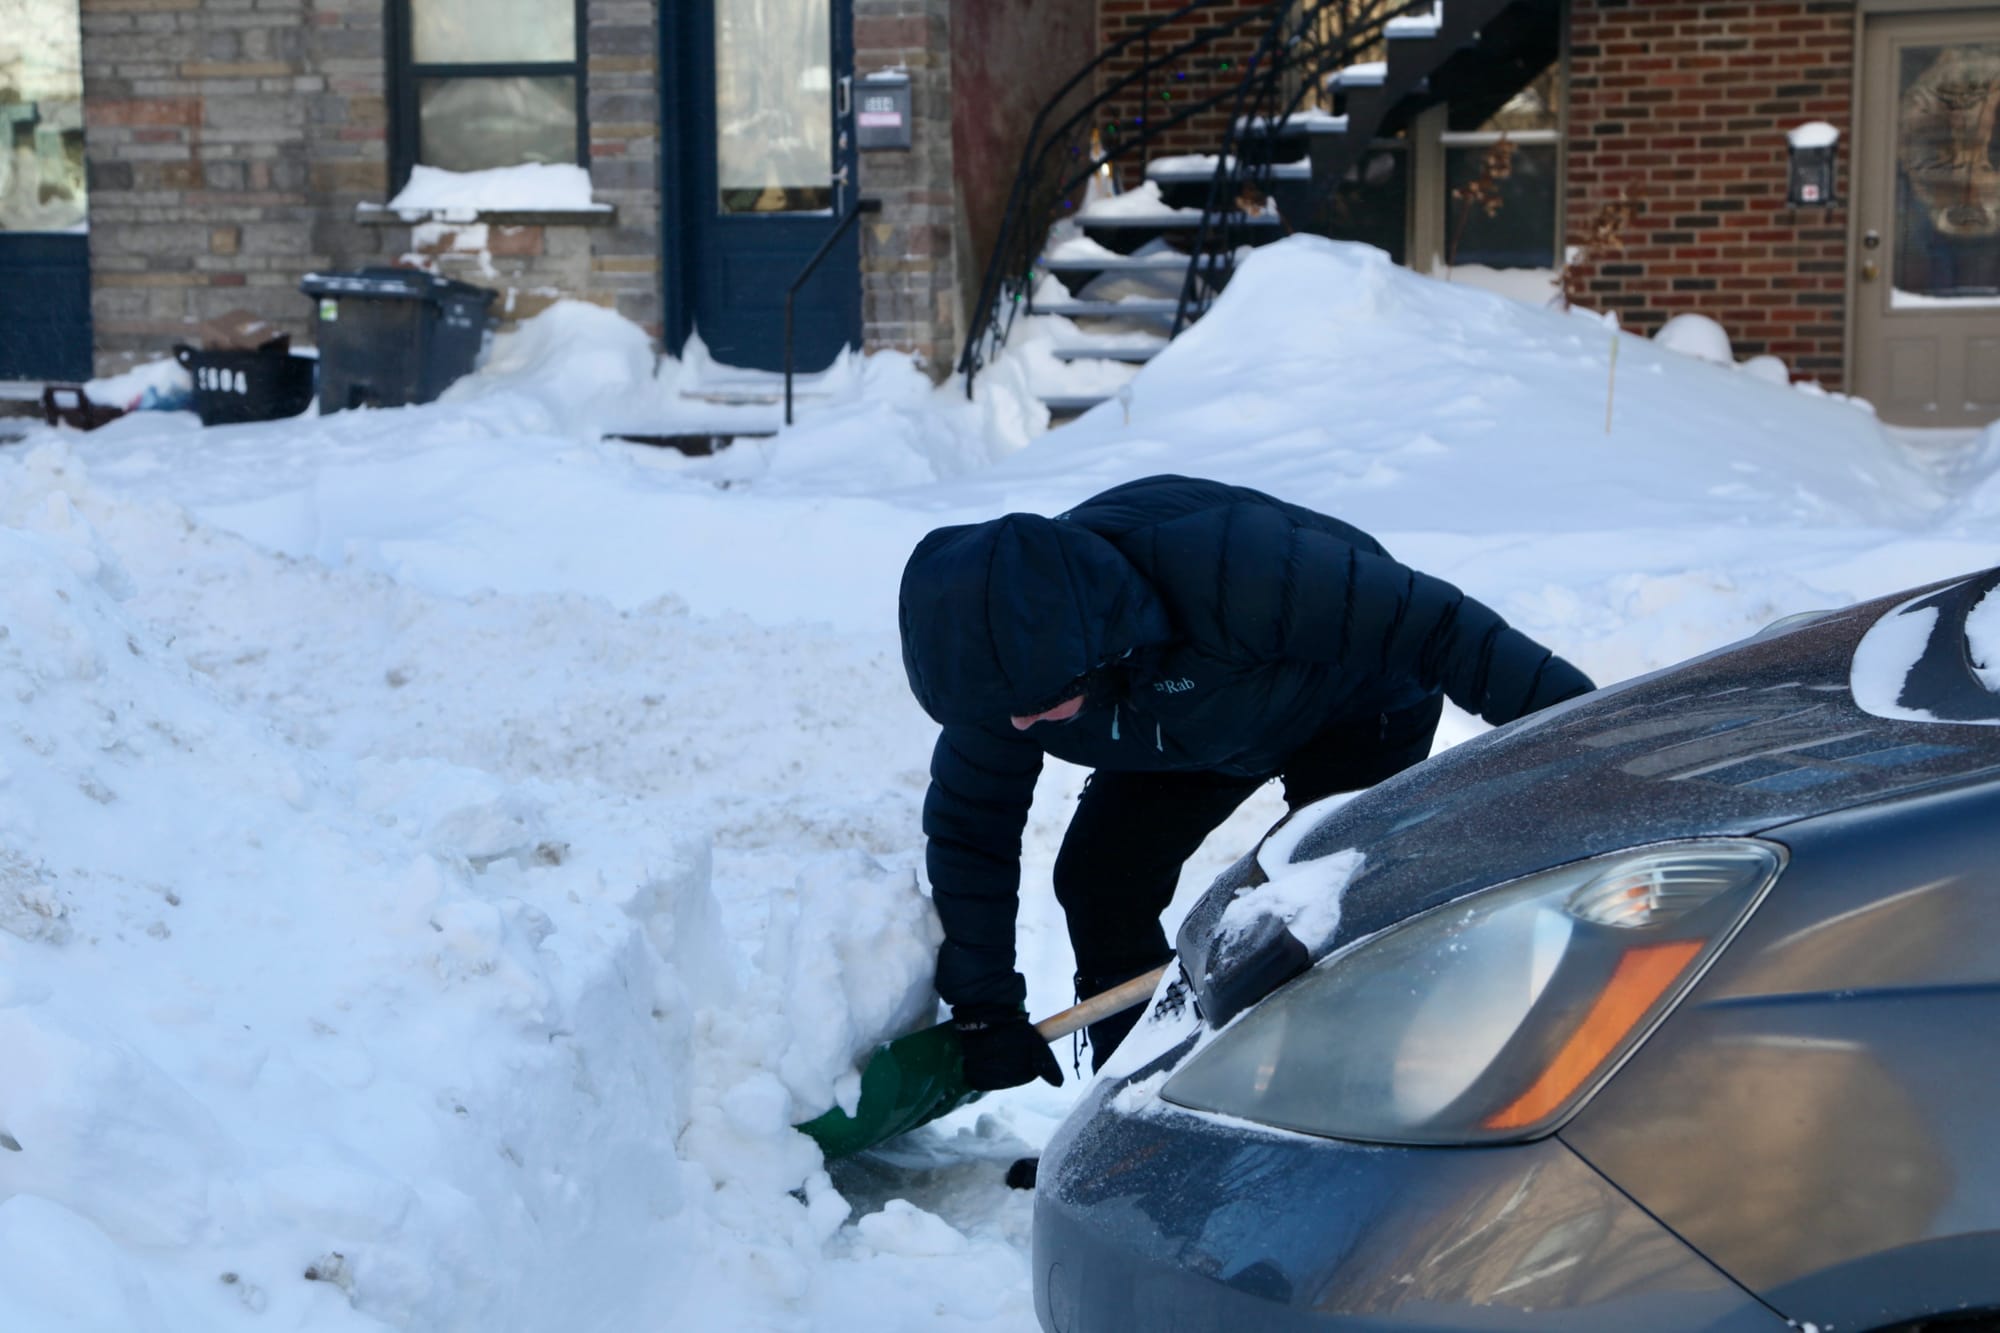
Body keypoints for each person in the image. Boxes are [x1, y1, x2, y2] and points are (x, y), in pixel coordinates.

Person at [897, 474, 1596, 1095]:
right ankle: (1131, 1106)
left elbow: (1445, 630)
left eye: (1038, 703)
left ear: (1094, 650)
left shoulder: (1233, 567)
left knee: (1312, 910)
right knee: (1100, 880)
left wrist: (1603, 744)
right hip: (1189, 725)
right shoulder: (1002, 677)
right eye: (1006, 709)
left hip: (1353, 706)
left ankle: (1335, 1097)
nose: (1020, 722)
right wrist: (986, 1009)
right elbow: (971, 828)